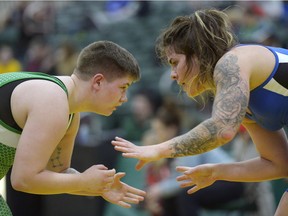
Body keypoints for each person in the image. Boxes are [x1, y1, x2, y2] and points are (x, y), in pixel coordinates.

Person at [111, 8, 288, 216]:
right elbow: (277, 165)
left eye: (175, 63)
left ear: (198, 53)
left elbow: (221, 130)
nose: (173, 75)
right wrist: (217, 172)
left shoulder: (233, 61)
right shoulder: (244, 100)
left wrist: (160, 149)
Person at [0, 40, 146, 216]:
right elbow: (23, 179)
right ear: (98, 82)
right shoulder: (52, 101)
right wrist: (83, 182)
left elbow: (58, 172)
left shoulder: (68, 109)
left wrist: (98, 186)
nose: (125, 98)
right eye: (123, 87)